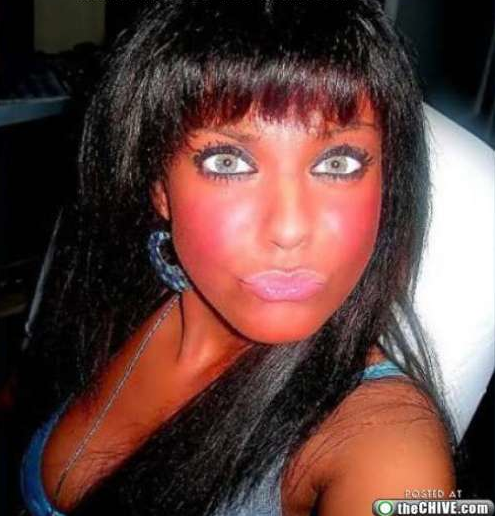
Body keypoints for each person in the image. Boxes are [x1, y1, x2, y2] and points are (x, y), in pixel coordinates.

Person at [16, 0, 460, 514]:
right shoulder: (114, 293)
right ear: (159, 187)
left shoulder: (388, 445)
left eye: (338, 163)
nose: (289, 230)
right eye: (227, 162)